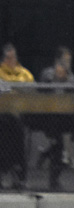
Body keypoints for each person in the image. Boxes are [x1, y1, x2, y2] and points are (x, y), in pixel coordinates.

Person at [37, 46, 74, 189]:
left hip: (64, 117)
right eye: (64, 60)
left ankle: (47, 153)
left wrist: (66, 79)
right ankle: (53, 181)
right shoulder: (48, 73)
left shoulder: (70, 76)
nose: (67, 64)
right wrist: (56, 77)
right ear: (57, 60)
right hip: (48, 115)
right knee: (59, 149)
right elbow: (43, 89)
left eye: (69, 61)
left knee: (60, 148)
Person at [0, 43, 34, 189]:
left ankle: (18, 174)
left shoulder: (25, 73)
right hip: (3, 115)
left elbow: (33, 93)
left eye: (13, 57)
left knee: (17, 132)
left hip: (21, 115)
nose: (11, 61)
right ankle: (8, 170)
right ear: (3, 58)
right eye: (8, 58)